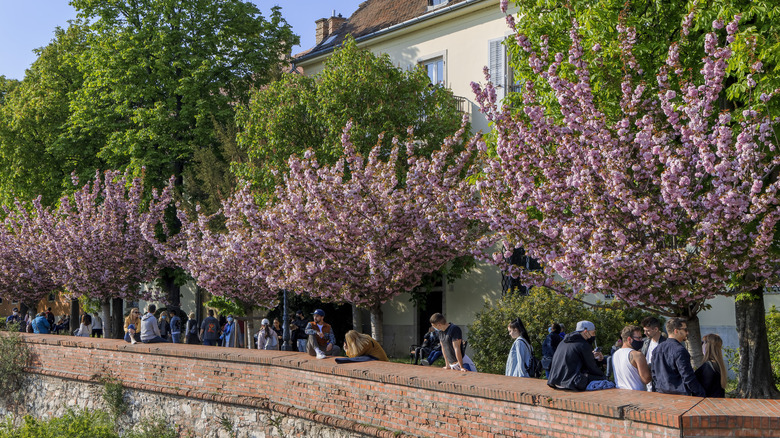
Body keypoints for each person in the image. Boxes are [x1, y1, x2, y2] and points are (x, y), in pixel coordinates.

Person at [547, 320, 612, 391]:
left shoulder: (563, 342)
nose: (594, 335)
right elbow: (592, 368)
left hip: (556, 382)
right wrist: (600, 364)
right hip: (571, 382)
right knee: (604, 380)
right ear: (585, 332)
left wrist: (592, 357)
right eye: (593, 332)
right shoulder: (583, 345)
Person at [652, 318, 706, 397]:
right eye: (685, 329)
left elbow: (654, 375)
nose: (687, 332)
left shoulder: (657, 349)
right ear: (676, 331)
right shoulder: (680, 350)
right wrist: (701, 394)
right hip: (679, 397)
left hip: (661, 394)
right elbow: (687, 376)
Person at [612, 325, 652, 391]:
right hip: (637, 395)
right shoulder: (637, 355)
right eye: (638, 338)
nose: (641, 340)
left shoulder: (615, 354)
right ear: (629, 339)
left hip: (620, 393)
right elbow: (646, 379)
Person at [695, 333, 727, 398]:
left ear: (707, 345)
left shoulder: (709, 366)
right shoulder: (718, 364)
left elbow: (704, 389)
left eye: (702, 343)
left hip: (708, 404)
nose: (701, 345)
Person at [641, 316, 667, 391]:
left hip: (660, 384)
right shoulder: (645, 342)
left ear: (656, 329)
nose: (645, 333)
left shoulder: (665, 344)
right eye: (644, 330)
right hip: (647, 383)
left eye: (647, 331)